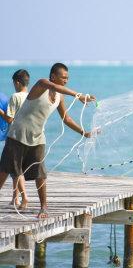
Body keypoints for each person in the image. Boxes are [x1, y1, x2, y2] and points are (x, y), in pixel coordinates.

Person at [0, 63, 96, 218]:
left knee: (40, 174)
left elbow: (66, 118)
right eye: (63, 77)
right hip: (17, 135)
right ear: (53, 76)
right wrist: (79, 96)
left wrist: (84, 133)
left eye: (67, 78)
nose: (66, 80)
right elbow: (55, 87)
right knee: (4, 170)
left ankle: (43, 207)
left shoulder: (60, 96)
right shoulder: (42, 84)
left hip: (38, 138)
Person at [0, 69, 30, 208]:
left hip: (14, 138)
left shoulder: (15, 96)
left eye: (13, 83)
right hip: (27, 137)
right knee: (16, 169)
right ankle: (15, 198)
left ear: (17, 82)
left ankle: (24, 197)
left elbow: (9, 119)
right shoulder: (31, 97)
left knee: (14, 169)